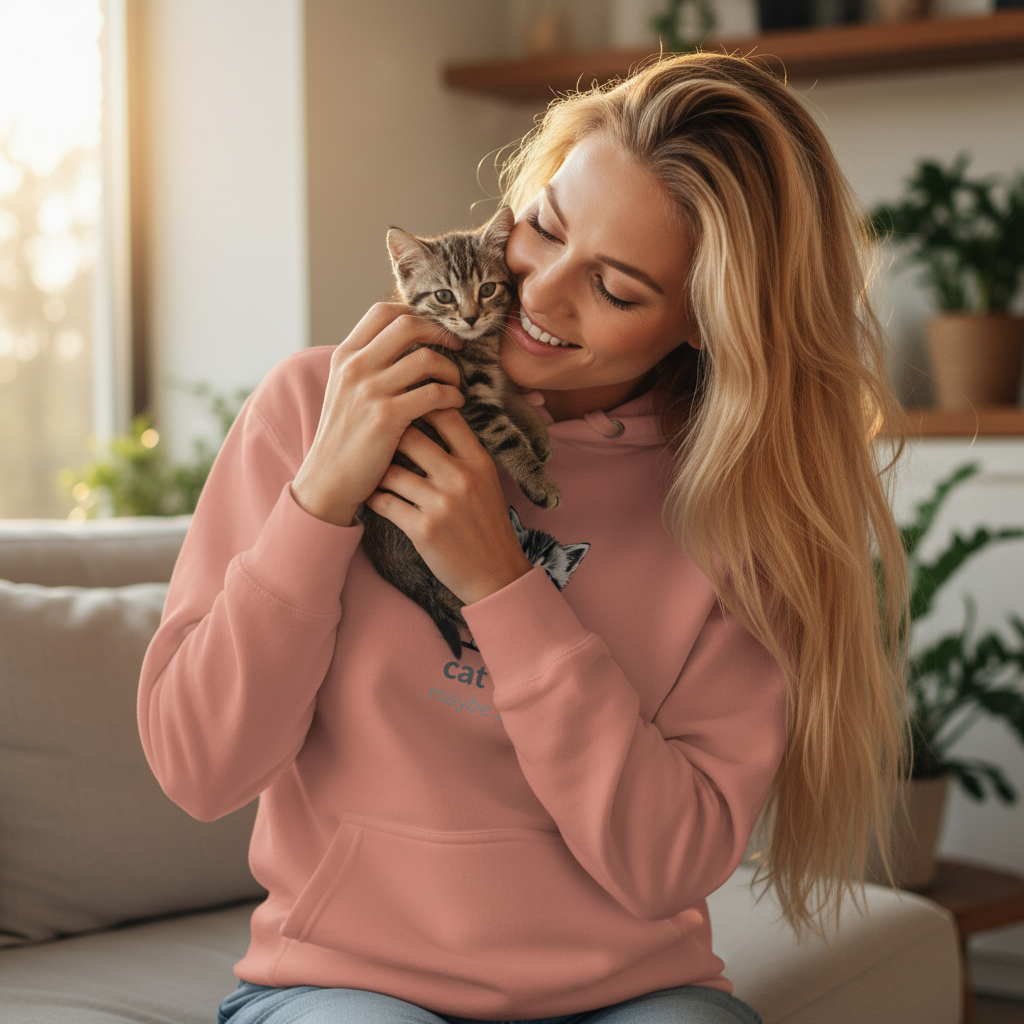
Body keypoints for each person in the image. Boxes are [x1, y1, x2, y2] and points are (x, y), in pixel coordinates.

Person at [138, 51, 911, 1024]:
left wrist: (504, 588)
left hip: (633, 993)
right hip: (345, 983)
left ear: (706, 322)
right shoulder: (315, 405)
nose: (539, 294)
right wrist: (321, 496)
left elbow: (668, 862)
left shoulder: (738, 512)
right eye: (543, 227)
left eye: (616, 288)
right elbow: (199, 766)